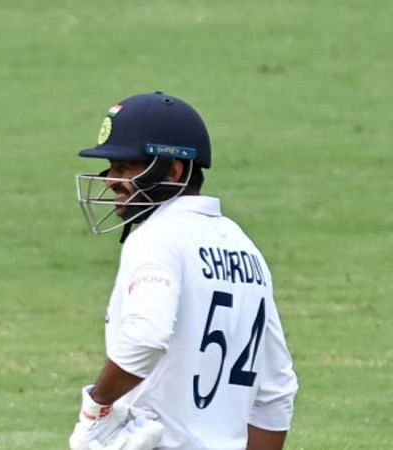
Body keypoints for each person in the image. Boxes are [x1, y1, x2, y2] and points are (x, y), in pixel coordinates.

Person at [69, 92, 298, 450]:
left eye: (126, 168)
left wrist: (97, 407)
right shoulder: (244, 247)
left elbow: (145, 337)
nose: (112, 180)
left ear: (174, 170)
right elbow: (276, 389)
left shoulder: (156, 238)